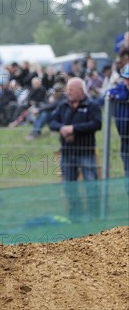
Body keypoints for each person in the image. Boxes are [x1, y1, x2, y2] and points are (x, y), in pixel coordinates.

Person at [49, 77, 102, 221]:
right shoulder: (63, 105)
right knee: (69, 186)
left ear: (80, 90)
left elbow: (97, 124)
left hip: (86, 152)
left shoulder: (91, 106)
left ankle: (94, 214)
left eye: (71, 90)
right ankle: (75, 215)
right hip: (67, 153)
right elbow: (52, 122)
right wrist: (62, 129)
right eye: (67, 90)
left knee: (91, 184)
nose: (68, 92)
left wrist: (74, 129)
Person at [106, 64, 129, 193]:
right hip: (125, 141)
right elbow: (108, 93)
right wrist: (119, 97)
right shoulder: (121, 90)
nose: (128, 82)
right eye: (126, 78)